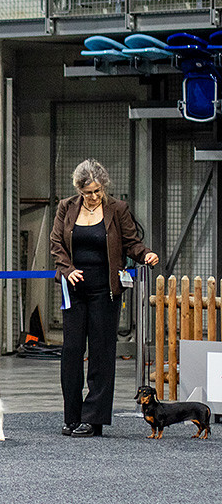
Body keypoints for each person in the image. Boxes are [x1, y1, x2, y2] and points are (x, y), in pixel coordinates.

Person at [50, 158, 159, 438]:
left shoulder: (117, 209)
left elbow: (131, 242)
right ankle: (72, 417)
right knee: (72, 352)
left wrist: (144, 253)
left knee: (101, 353)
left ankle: (94, 418)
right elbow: (56, 244)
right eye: (88, 192)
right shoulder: (66, 207)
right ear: (78, 189)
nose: (94, 197)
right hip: (73, 289)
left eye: (98, 191)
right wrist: (68, 269)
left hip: (105, 290)